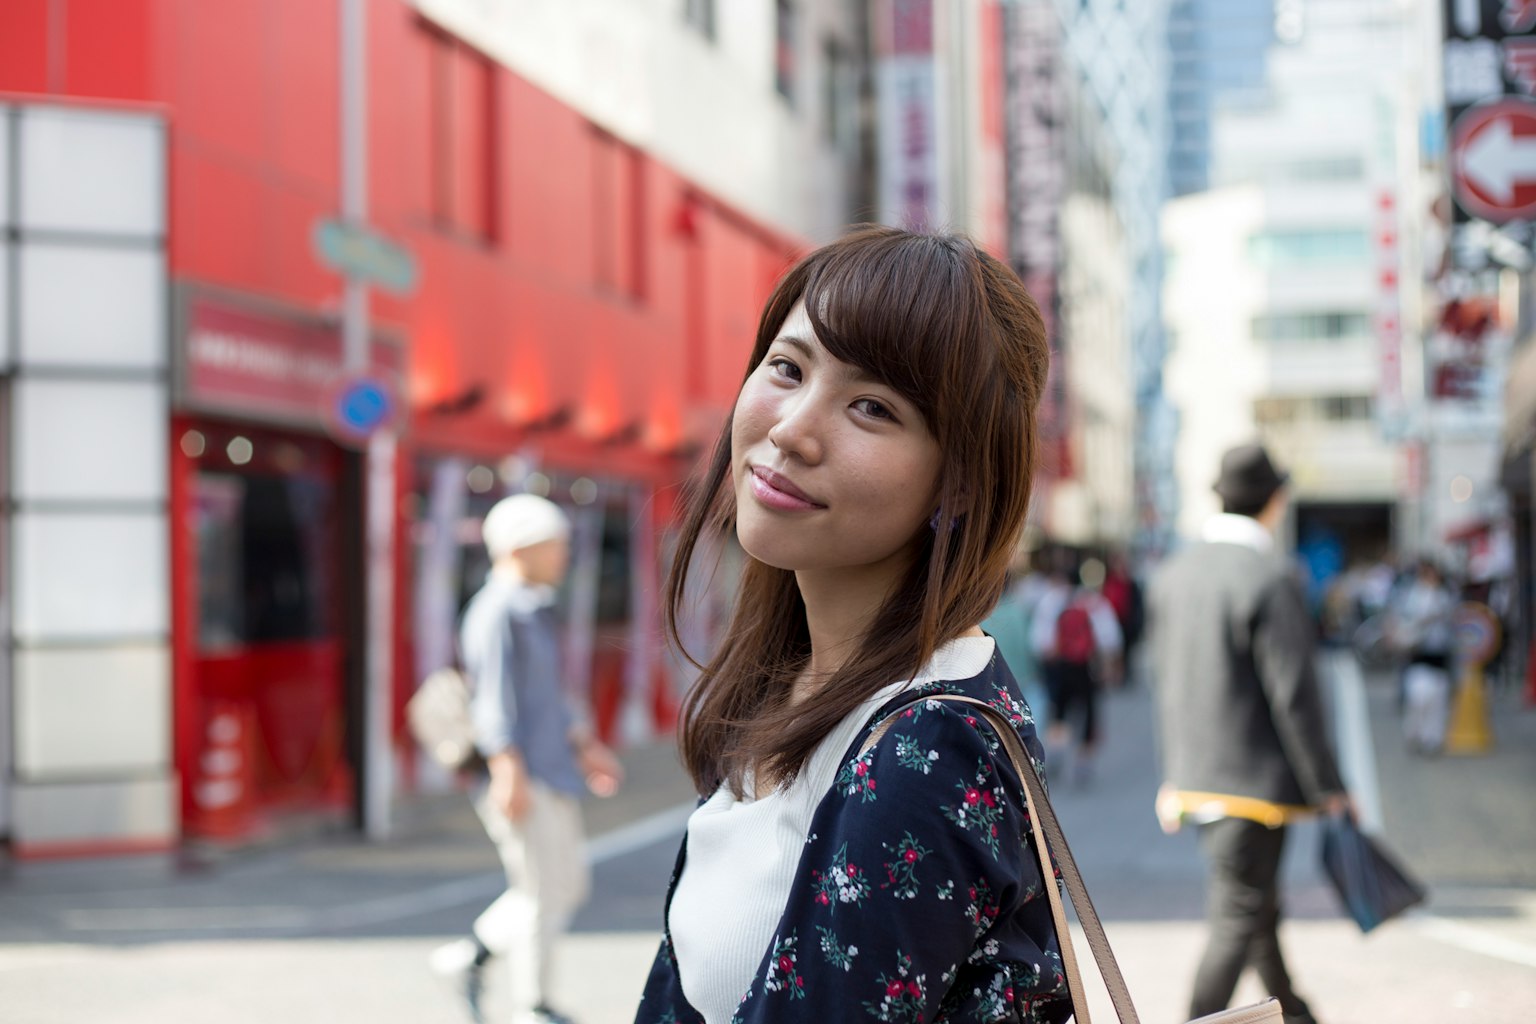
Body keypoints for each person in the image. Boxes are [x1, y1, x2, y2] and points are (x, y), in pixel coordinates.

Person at [634, 226, 1071, 1023]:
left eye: (872, 406)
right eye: (787, 368)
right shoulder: (795, 681)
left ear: (962, 484)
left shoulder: (926, 748)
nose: (793, 429)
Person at [1148, 443, 1351, 1024]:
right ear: (1274, 501)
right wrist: (1329, 785)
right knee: (1241, 915)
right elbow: (1295, 696)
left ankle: (1298, 1013)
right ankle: (1198, 1018)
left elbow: (1171, 685)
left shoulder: (1173, 574)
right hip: (1255, 789)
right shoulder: (1270, 576)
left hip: (1197, 782)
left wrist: (1173, 777)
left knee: (1256, 910)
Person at [431, 493, 625, 1024]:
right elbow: (494, 701)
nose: (564, 555)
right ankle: (533, 1005)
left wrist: (585, 746)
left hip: (549, 767)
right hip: (522, 771)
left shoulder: (531, 607)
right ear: (522, 547)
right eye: (555, 544)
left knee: (564, 885)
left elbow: (550, 695)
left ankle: (469, 958)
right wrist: (506, 769)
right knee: (542, 892)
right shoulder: (496, 612)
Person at [1029, 557, 1122, 784]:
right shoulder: (1094, 603)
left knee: (1059, 711)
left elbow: (1039, 642)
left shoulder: (1052, 601)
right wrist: (1111, 667)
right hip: (1087, 668)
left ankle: (1057, 751)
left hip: (1061, 667)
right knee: (1089, 714)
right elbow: (1110, 639)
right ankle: (1083, 762)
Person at [1389, 558, 1457, 754]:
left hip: (1440, 655)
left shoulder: (1445, 596)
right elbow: (1400, 620)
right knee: (1418, 698)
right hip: (1418, 655)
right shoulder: (1411, 595)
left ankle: (1432, 739)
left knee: (1437, 701)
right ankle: (1415, 733)